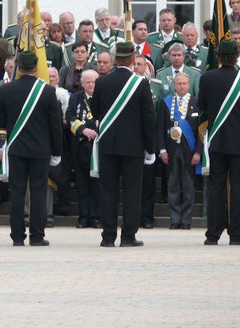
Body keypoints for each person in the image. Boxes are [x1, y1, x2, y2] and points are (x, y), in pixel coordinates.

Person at [90, 42, 156, 248]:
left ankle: (108, 236)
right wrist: (150, 148)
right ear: (133, 58)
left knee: (107, 191)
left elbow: (95, 112)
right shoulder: (141, 84)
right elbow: (148, 119)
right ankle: (128, 236)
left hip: (108, 144)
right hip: (133, 146)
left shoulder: (102, 82)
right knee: (132, 192)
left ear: (115, 58)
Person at [0, 51, 63, 247]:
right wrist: (57, 152)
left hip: (16, 148)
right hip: (40, 149)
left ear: (19, 67)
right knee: (38, 192)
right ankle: (37, 235)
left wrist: (3, 143)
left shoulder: (6, 90)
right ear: (35, 67)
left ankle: (17, 236)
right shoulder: (47, 91)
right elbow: (55, 125)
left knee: (17, 192)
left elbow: (0, 122)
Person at [199, 39, 240, 246]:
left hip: (217, 141)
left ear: (218, 57)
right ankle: (236, 235)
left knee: (216, 188)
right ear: (236, 57)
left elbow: (202, 107)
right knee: (238, 188)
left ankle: (212, 235)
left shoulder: (207, 78)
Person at [156, 73, 201, 229]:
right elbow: (160, 128)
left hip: (190, 150)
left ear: (189, 84)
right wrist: (162, 150)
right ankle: (175, 219)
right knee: (172, 185)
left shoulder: (197, 102)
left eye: (184, 83)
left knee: (188, 186)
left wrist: (198, 152)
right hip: (171, 149)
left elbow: (202, 130)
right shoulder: (166, 103)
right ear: (174, 85)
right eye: (179, 83)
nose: (181, 86)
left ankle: (186, 220)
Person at [66, 69, 101, 229]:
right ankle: (83, 217)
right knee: (82, 184)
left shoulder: (103, 96)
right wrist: (83, 130)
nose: (91, 85)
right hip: (80, 145)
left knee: (96, 183)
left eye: (94, 82)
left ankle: (95, 216)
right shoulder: (75, 97)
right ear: (82, 83)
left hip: (98, 145)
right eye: (88, 82)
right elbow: (70, 117)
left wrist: (97, 130)